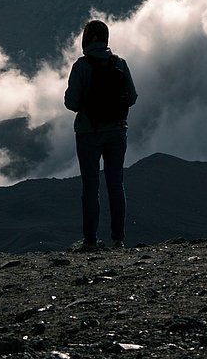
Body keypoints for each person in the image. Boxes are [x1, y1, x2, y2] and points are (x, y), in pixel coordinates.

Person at [64, 19, 138, 250]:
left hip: (88, 131)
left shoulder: (81, 66)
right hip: (117, 130)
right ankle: (118, 239)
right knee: (116, 184)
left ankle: (90, 240)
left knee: (90, 186)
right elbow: (132, 97)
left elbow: (71, 102)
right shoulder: (120, 63)